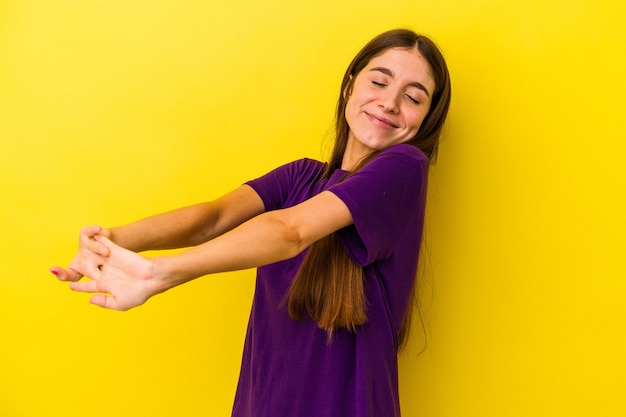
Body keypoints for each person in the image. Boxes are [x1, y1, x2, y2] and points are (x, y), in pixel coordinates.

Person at [50, 28, 451, 417]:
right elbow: (213, 217)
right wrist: (111, 241)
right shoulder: (300, 177)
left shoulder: (405, 168)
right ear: (349, 86)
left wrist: (161, 273)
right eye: (379, 82)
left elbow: (291, 232)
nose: (389, 103)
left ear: (426, 118)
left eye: (413, 97)